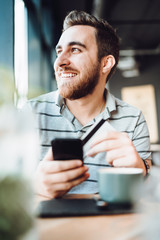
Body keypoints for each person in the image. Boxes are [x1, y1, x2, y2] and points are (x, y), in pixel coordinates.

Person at [29, 10, 152, 199]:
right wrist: (33, 186)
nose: (60, 61)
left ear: (105, 64)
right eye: (59, 51)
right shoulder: (30, 112)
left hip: (109, 226)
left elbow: (146, 197)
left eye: (75, 50)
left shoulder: (133, 119)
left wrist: (141, 172)